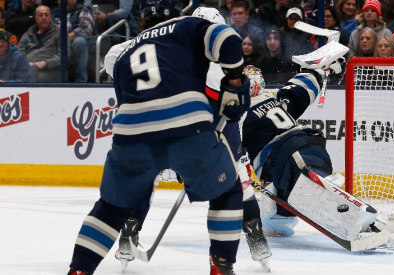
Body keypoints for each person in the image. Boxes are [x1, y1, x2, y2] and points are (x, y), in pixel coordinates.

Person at [66, 1, 252, 272]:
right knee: (228, 191)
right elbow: (228, 38)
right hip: (188, 128)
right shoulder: (187, 26)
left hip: (131, 136)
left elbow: (127, 103)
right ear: (177, 14)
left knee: (110, 208)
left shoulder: (124, 51)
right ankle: (221, 266)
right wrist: (235, 83)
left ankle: (79, 269)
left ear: (141, 21)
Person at [240, 53, 378, 238]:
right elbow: (302, 87)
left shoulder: (238, 116)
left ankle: (353, 209)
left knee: (306, 184)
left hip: (288, 157)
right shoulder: (278, 100)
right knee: (284, 188)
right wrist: (320, 70)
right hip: (308, 146)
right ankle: (279, 219)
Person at [51, 0, 95, 82]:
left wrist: (64, 39)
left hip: (77, 48)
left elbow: (84, 30)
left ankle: (80, 82)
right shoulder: (54, 14)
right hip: (59, 48)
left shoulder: (83, 10)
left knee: (79, 41)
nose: (63, 1)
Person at [18, 5, 61, 82]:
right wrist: (26, 63)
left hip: (50, 70)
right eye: (41, 15)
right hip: (28, 68)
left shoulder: (60, 33)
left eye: (46, 15)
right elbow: (19, 54)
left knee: (31, 78)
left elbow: (63, 57)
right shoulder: (28, 33)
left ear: (50, 17)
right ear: (36, 19)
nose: (44, 18)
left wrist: (45, 63)